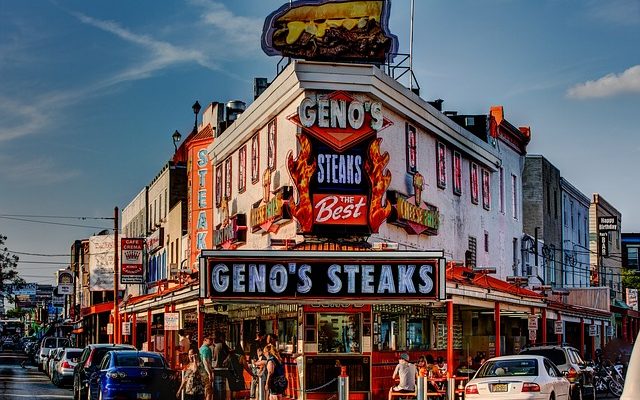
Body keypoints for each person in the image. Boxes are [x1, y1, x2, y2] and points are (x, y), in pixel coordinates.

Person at [213, 331, 231, 400]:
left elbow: (214, 357)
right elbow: (229, 354)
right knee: (221, 388)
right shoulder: (222, 345)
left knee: (216, 388)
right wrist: (225, 361)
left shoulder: (214, 346)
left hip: (215, 368)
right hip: (222, 368)